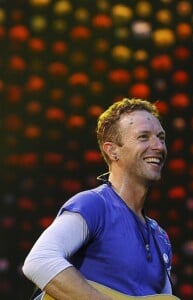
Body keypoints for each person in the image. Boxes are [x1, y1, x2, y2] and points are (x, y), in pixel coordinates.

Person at [22, 98, 174, 300]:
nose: (158, 146)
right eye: (144, 137)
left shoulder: (160, 237)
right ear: (112, 150)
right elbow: (40, 260)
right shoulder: (93, 204)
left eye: (161, 138)